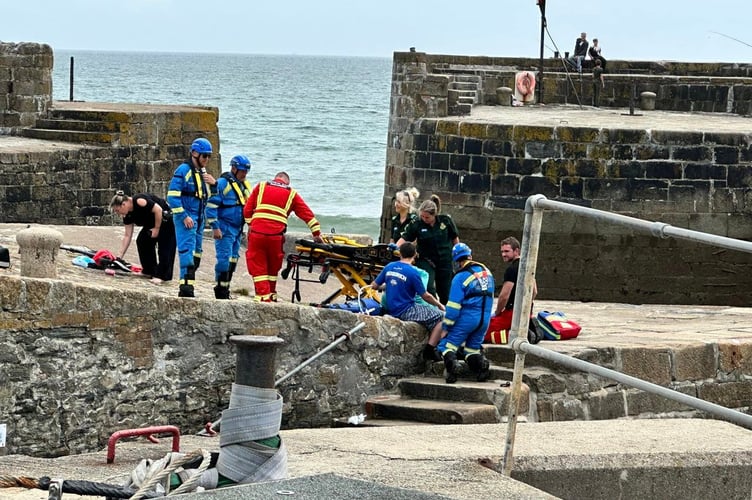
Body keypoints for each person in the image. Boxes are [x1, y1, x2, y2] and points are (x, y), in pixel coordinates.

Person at [243, 171, 323, 302]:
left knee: (257, 264)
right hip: (276, 236)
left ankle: (263, 296)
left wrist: (250, 225)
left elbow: (247, 210)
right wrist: (316, 234)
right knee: (273, 265)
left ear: (275, 179)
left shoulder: (261, 186)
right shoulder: (292, 194)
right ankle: (272, 294)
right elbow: (307, 215)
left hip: (257, 233)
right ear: (287, 182)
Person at [370, 241, 446, 362]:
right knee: (442, 317)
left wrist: (388, 285)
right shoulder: (413, 272)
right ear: (415, 255)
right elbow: (425, 296)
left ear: (399, 253)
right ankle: (430, 349)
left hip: (391, 308)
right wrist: (439, 304)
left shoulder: (389, 267)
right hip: (406, 310)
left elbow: (374, 286)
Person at [167, 137, 217, 298]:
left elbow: (209, 197)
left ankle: (189, 280)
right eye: (204, 156)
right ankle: (186, 288)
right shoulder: (183, 171)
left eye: (209, 156)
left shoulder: (201, 174)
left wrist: (213, 184)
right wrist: (184, 216)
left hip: (199, 219)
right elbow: (172, 197)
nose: (207, 159)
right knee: (187, 252)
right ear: (194, 154)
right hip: (187, 219)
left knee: (197, 253)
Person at [438, 243, 495, 383]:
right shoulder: (487, 273)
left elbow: (453, 307)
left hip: (467, 317)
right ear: (470, 255)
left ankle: (453, 370)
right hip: (484, 319)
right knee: (472, 349)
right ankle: (482, 368)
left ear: (457, 261)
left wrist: (446, 327)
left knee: (446, 346)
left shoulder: (460, 277)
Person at [397, 195, 460, 305]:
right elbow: (405, 238)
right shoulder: (417, 224)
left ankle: (446, 312)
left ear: (434, 215)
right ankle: (434, 307)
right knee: (428, 286)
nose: (424, 219)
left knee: (445, 292)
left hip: (445, 260)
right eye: (422, 216)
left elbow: (455, 239)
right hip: (426, 260)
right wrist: (394, 247)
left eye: (427, 217)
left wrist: (459, 255)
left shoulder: (446, 221)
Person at [205, 155, 252, 299]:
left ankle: (226, 287)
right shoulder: (223, 184)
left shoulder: (243, 185)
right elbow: (211, 206)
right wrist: (215, 227)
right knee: (224, 260)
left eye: (246, 171)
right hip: (225, 228)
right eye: (242, 171)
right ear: (234, 168)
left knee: (233, 259)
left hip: (237, 230)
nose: (244, 174)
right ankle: (220, 290)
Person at [110, 190, 176, 284]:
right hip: (151, 223)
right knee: (142, 241)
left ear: (123, 204)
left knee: (165, 247)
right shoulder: (127, 215)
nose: (118, 213)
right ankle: (149, 270)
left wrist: (156, 229)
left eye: (117, 210)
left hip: (165, 219)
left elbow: (158, 210)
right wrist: (119, 257)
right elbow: (127, 236)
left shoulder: (139, 201)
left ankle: (163, 275)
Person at [486, 236, 538, 343]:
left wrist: (497, 312)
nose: (503, 254)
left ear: (516, 251)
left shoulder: (512, 269)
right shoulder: (528, 266)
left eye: (507, 251)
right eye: (502, 251)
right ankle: (522, 331)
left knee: (481, 331)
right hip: (525, 313)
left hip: (511, 313)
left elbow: (504, 296)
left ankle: (516, 335)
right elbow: (534, 291)